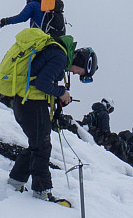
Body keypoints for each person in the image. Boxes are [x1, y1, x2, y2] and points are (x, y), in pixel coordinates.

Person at [6, 43, 98, 206]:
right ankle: (42, 192)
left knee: (36, 144)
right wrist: (61, 92)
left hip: (25, 102)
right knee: (42, 146)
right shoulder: (60, 58)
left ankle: (16, 181)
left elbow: (39, 79)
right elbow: (42, 83)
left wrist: (58, 92)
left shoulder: (57, 55)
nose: (75, 73)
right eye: (80, 71)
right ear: (82, 62)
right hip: (31, 104)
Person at [0, 0, 66, 37]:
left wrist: (6, 21)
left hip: (40, 36)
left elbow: (22, 17)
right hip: (55, 36)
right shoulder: (51, 8)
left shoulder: (33, 4)